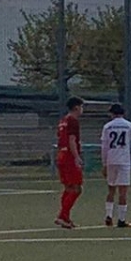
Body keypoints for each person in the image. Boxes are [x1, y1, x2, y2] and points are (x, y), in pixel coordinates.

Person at [99, 102, 131, 228]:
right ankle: (121, 219)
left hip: (111, 160)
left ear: (112, 114)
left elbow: (104, 147)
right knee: (123, 192)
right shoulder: (130, 126)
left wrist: (104, 163)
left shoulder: (107, 127)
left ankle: (109, 215)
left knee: (111, 189)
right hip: (124, 161)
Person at [54, 96, 85, 229]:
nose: (82, 109)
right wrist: (77, 157)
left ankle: (65, 217)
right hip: (69, 157)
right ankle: (62, 215)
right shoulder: (73, 121)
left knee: (69, 187)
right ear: (76, 107)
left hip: (61, 154)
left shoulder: (63, 121)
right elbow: (72, 140)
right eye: (82, 107)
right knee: (77, 188)